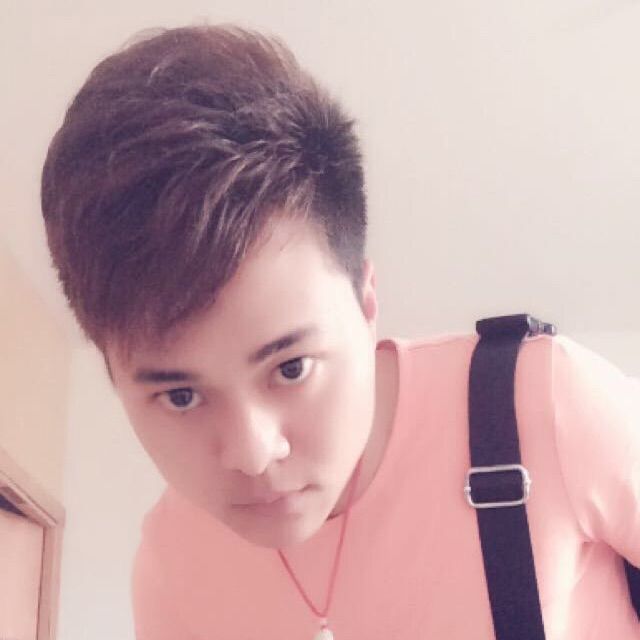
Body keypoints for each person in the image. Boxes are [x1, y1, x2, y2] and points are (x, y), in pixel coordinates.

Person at [41, 24, 639, 640]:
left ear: (366, 300)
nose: (253, 453)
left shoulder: (544, 405)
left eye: (290, 367)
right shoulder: (172, 566)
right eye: (181, 396)